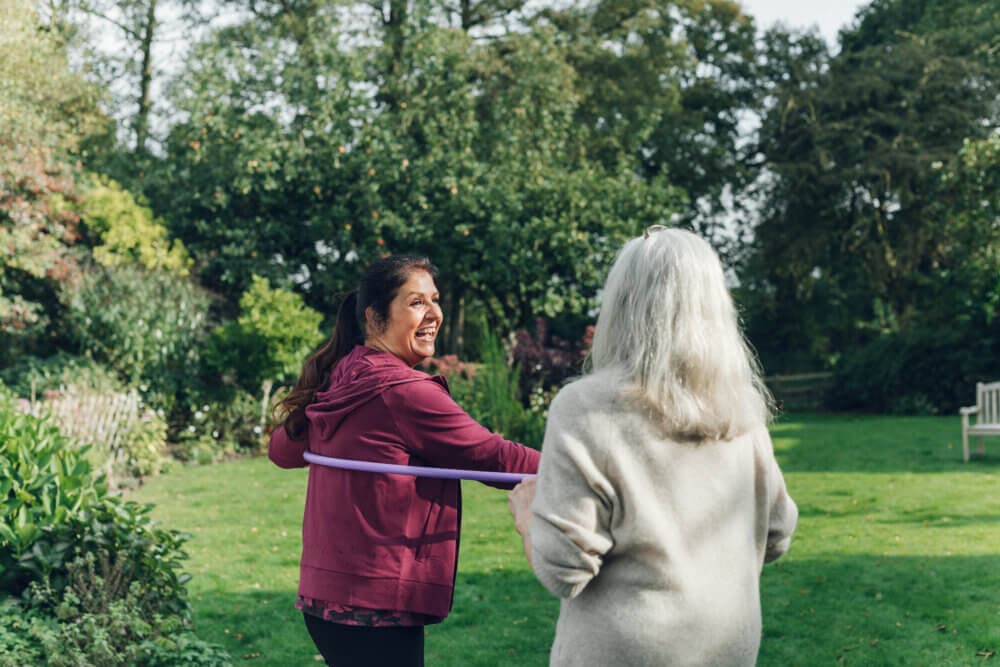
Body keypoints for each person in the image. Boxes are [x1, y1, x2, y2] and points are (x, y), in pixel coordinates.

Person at [507, 227, 798, 667]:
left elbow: (562, 569)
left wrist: (528, 516)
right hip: (728, 649)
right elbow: (777, 532)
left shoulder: (586, 407)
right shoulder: (742, 410)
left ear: (621, 306)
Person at [269, 254, 540, 667]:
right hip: (376, 608)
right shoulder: (403, 391)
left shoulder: (344, 374)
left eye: (435, 300)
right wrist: (587, 466)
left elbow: (281, 451)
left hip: (324, 600)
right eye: (416, 303)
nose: (433, 314)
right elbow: (494, 457)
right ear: (375, 317)